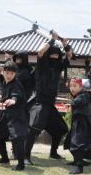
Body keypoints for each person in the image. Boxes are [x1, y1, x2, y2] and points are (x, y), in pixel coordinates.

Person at [24, 31, 73, 165]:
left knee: (61, 129)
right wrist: (52, 40)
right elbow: (40, 52)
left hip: (50, 105)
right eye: (52, 54)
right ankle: (25, 156)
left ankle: (53, 152)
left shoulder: (58, 67)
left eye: (57, 55)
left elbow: (69, 56)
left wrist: (65, 44)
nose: (54, 56)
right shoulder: (41, 66)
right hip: (39, 102)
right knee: (33, 129)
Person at [0, 61, 28, 171]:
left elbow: (16, 95)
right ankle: (4, 158)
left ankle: (21, 164)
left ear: (15, 74)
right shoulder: (6, 81)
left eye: (11, 73)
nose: (9, 75)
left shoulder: (16, 84)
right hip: (7, 114)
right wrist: (0, 71)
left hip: (17, 115)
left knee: (17, 138)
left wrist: (13, 100)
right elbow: (2, 77)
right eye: (7, 73)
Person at [64, 78, 91, 174]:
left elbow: (77, 101)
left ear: (80, 87)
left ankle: (79, 167)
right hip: (77, 122)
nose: (72, 88)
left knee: (77, 144)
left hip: (81, 124)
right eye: (70, 86)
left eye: (74, 86)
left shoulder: (83, 96)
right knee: (70, 142)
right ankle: (77, 161)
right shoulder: (81, 94)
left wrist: (70, 103)